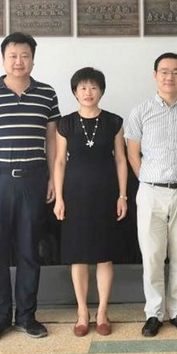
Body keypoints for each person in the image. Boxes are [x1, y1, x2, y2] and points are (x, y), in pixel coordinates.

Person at [0, 32, 59, 342]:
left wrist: (53, 179)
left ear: (33, 58)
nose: (19, 61)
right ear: (3, 59)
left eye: (25, 55)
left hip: (33, 179)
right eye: (13, 56)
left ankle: (26, 317)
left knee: (29, 250)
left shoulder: (47, 93)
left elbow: (52, 140)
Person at [124, 53, 177, 337]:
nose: (169, 77)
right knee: (152, 255)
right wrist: (150, 180)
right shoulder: (140, 112)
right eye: (164, 71)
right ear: (155, 75)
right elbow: (133, 154)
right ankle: (154, 313)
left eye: (176, 71)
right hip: (151, 191)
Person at [53, 67, 128, 337]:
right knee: (79, 256)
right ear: (75, 91)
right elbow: (59, 162)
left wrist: (122, 195)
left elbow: (121, 160)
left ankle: (103, 312)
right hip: (74, 196)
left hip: (106, 195)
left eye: (94, 87)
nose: (88, 92)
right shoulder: (65, 124)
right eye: (83, 87)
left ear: (101, 91)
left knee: (104, 256)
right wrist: (59, 198)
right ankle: (82, 312)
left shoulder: (114, 122)